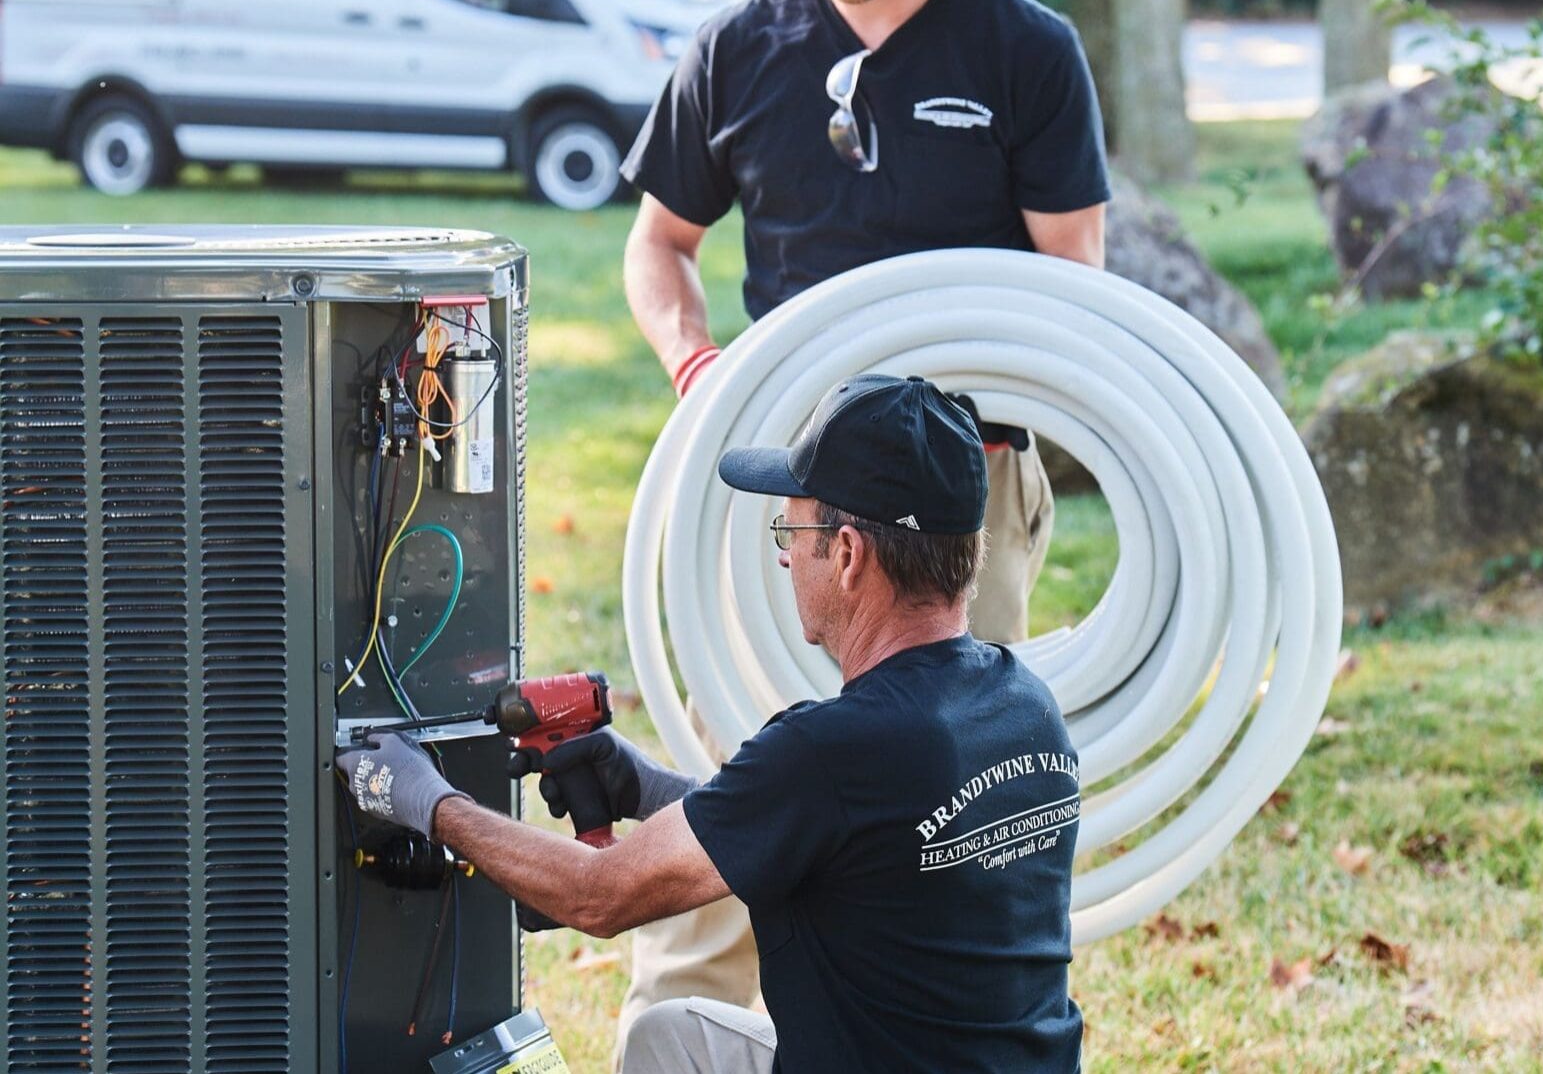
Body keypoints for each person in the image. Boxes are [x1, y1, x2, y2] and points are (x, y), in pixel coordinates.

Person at [618, 0, 1109, 1036]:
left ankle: (939, 1039)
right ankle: (681, 1030)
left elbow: (1076, 283)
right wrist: (695, 365)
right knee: (735, 746)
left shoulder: (1023, 49)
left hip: (960, 489)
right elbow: (659, 248)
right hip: (792, 478)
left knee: (951, 788)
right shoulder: (738, 50)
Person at [337, 374, 1084, 1073]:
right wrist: (650, 789)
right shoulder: (1025, 707)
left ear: (849, 555)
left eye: (790, 535)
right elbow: (851, 846)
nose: (788, 563)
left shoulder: (834, 749)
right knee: (673, 1037)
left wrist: (421, 797)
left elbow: (598, 896)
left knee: (668, 1036)